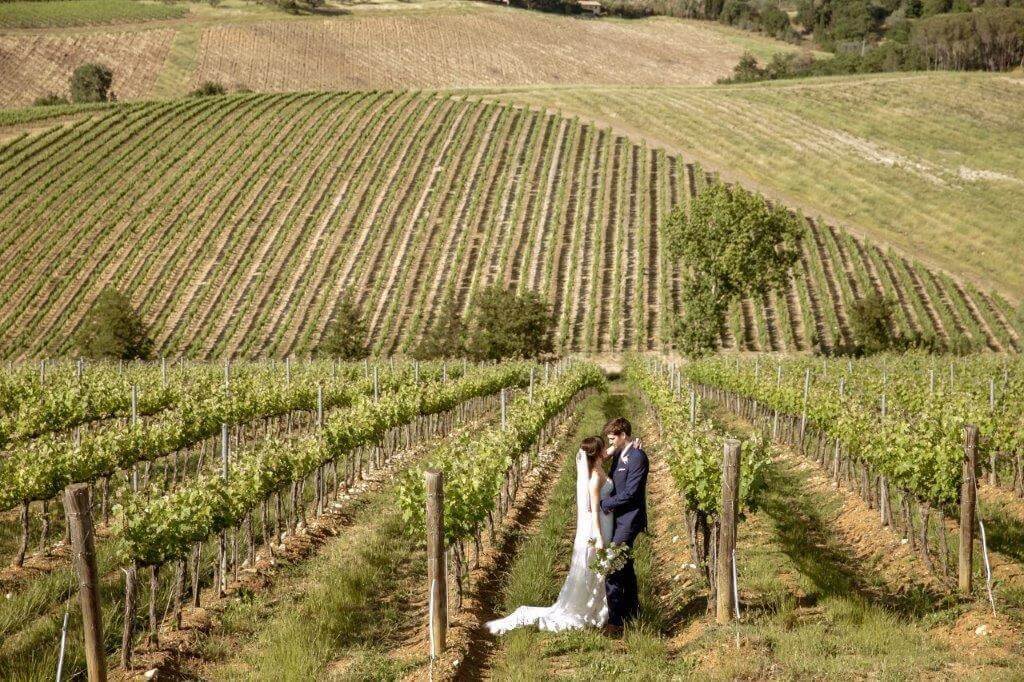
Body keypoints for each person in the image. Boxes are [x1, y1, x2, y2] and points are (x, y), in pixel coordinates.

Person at [485, 435, 614, 633]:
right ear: (597, 454)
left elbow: (605, 456)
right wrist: (598, 535)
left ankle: (597, 604)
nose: (607, 450)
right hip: (600, 525)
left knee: (599, 567)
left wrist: (627, 445)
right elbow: (593, 509)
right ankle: (594, 607)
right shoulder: (595, 478)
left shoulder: (595, 469)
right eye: (604, 448)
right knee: (597, 566)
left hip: (604, 521)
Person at [599, 416, 649, 635]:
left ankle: (616, 622)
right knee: (625, 567)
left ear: (623, 435)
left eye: (612, 438)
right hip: (618, 519)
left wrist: (605, 504)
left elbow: (631, 493)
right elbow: (598, 456)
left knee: (612, 566)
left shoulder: (637, 457)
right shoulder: (621, 453)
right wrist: (613, 449)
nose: (610, 442)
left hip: (630, 519)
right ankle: (633, 612)